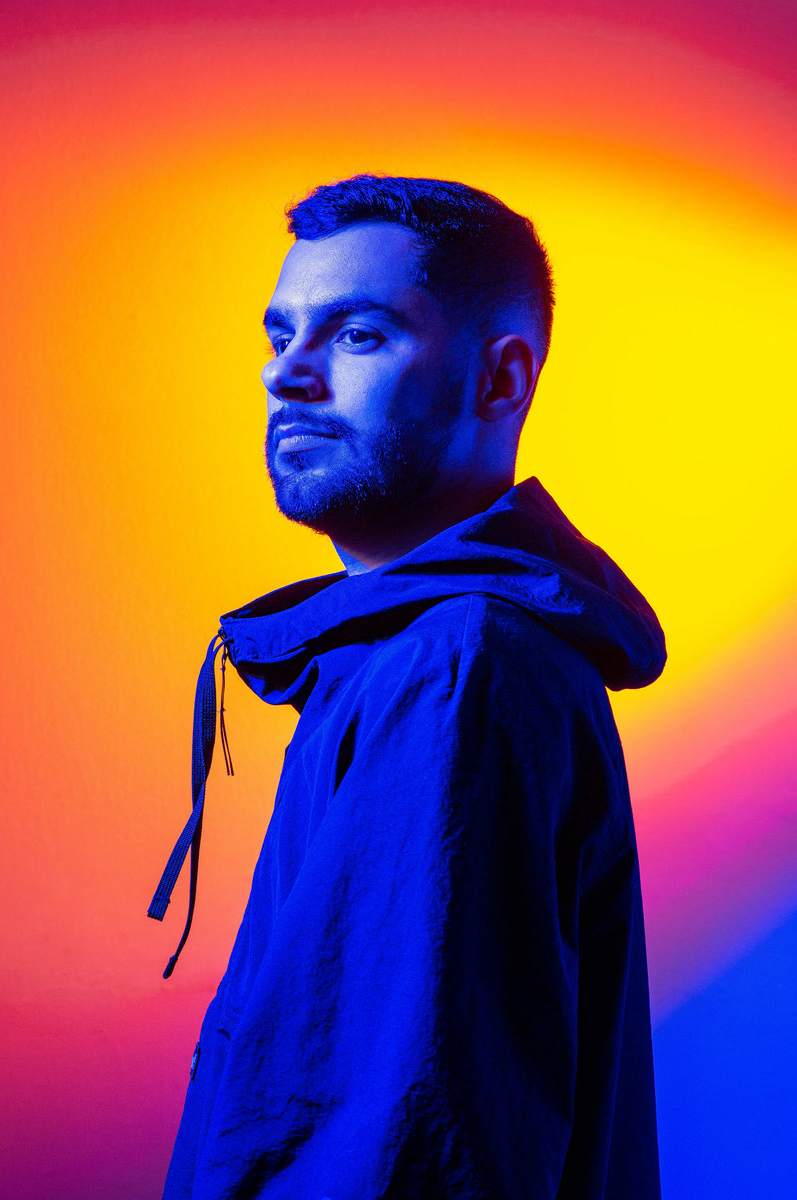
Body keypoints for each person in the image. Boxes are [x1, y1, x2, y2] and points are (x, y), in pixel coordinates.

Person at [149, 174, 666, 1199]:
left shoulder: (455, 669)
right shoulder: (407, 656)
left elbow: (401, 1152)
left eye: (358, 335)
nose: (286, 374)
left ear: (498, 379)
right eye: (280, 335)